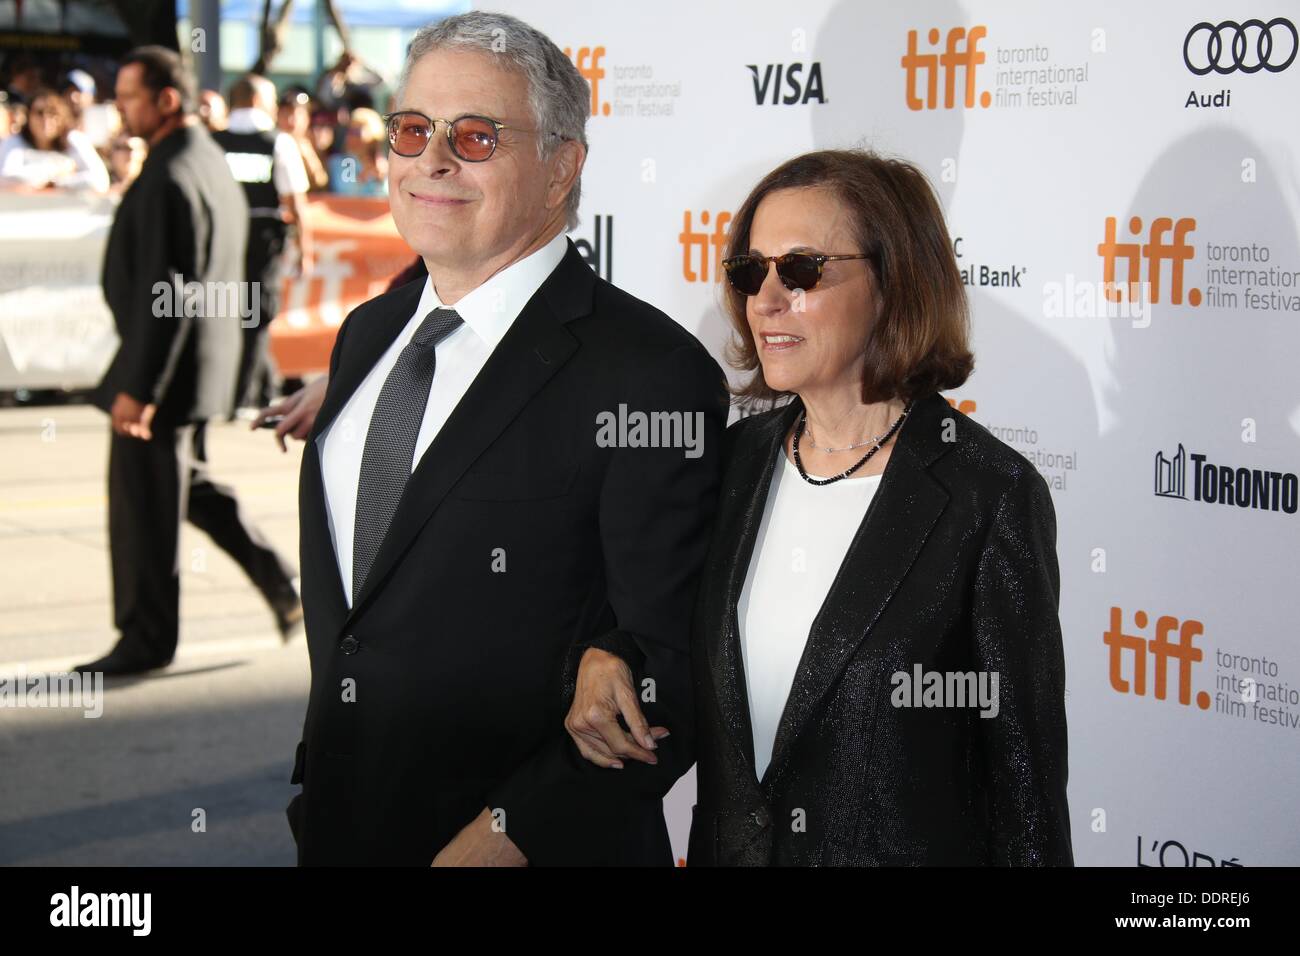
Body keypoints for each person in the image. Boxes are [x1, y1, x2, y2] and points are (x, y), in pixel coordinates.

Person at [285, 10, 725, 866]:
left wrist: (500, 841)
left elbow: (676, 667)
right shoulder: (368, 335)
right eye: (412, 130)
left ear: (562, 168)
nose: (433, 160)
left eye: (478, 136)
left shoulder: (647, 372)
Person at [570, 149, 1074, 866]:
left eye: (802, 271)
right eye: (750, 272)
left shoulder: (987, 495)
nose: (766, 300)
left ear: (894, 281)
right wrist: (610, 653)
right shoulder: (733, 464)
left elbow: (1024, 798)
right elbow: (666, 629)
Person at [74, 46, 302, 677]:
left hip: (164, 373)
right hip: (193, 369)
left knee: (144, 504)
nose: (120, 110)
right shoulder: (206, 159)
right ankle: (283, 582)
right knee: (188, 487)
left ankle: (146, 638)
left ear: (166, 100)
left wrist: (140, 387)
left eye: (129, 97)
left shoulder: (176, 171)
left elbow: (171, 293)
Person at [212, 73, 314, 413]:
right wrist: (305, 250)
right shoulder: (279, 141)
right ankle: (246, 398)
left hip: (221, 236)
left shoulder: (213, 141)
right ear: (258, 101)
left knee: (226, 312)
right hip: (263, 239)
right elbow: (296, 202)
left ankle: (259, 386)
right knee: (257, 314)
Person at [0, 88, 109, 191]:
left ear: (62, 116)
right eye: (39, 112)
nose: (46, 119)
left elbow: (100, 181)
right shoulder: (14, 141)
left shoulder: (74, 140)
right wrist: (57, 168)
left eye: (52, 113)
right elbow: (6, 179)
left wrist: (56, 184)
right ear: (29, 117)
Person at [326, 105, 386, 197]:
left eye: (357, 132)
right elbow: (344, 193)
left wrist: (381, 180)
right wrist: (362, 178)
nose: (352, 137)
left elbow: (388, 198)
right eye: (350, 131)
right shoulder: (335, 163)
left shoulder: (385, 166)